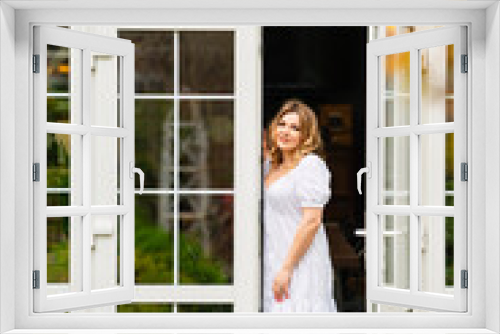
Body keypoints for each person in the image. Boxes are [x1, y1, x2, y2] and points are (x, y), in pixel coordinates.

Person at [263, 99, 337, 312]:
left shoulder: (310, 166)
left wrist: (287, 268)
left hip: (299, 261)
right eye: (282, 124)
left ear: (306, 136)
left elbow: (312, 221)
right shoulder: (270, 166)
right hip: (272, 256)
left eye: (294, 128)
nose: (285, 131)